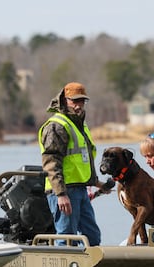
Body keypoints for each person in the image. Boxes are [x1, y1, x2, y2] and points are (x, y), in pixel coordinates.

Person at [38, 82, 109, 246]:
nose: (79, 106)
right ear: (64, 100)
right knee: (67, 239)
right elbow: (51, 162)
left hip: (80, 190)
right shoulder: (56, 126)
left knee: (92, 237)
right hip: (64, 191)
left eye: (82, 101)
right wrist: (61, 195)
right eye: (74, 101)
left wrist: (97, 183)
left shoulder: (80, 124)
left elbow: (81, 160)